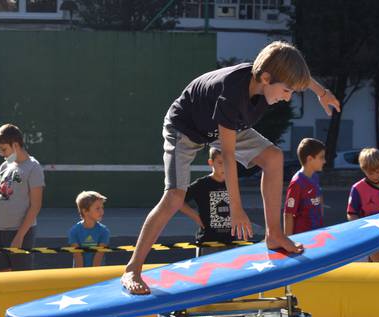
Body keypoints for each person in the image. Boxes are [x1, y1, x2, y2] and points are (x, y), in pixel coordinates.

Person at [121, 40, 340, 294]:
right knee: (174, 197)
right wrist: (236, 208)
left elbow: (296, 74)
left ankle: (274, 234)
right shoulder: (232, 95)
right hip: (185, 128)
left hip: (221, 125)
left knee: (273, 158)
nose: (287, 98)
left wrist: (321, 91)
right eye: (287, 91)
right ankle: (132, 268)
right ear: (267, 78)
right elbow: (227, 154)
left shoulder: (266, 79)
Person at [0, 123, 45, 272]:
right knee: (0, 279)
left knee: (19, 280)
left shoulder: (34, 167)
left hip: (18, 232)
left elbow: (36, 205)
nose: (1, 153)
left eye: (3, 149)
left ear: (15, 145)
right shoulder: (4, 166)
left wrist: (20, 236)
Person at [346, 148, 379, 262]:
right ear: (363, 169)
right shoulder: (357, 188)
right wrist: (360, 231)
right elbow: (351, 213)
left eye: (378, 171)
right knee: (377, 262)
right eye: (371, 172)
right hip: (368, 234)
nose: (375, 175)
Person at [179, 147, 233, 257]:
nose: (224, 167)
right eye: (220, 162)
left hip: (230, 240)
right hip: (208, 241)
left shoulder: (233, 183)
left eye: (227, 163)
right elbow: (178, 201)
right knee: (206, 273)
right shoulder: (201, 184)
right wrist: (196, 217)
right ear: (211, 162)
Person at [284, 138, 326, 237]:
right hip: (303, 237)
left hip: (317, 233)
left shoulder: (315, 176)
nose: (324, 161)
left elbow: (319, 200)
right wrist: (289, 241)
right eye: (321, 157)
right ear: (310, 159)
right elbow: (288, 214)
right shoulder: (297, 183)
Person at [68, 191, 110, 267]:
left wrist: (94, 276)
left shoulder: (104, 231)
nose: (102, 211)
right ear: (85, 211)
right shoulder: (74, 232)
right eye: (97, 208)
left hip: (97, 274)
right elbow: (78, 257)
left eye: (102, 208)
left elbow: (98, 257)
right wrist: (80, 277)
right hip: (81, 274)